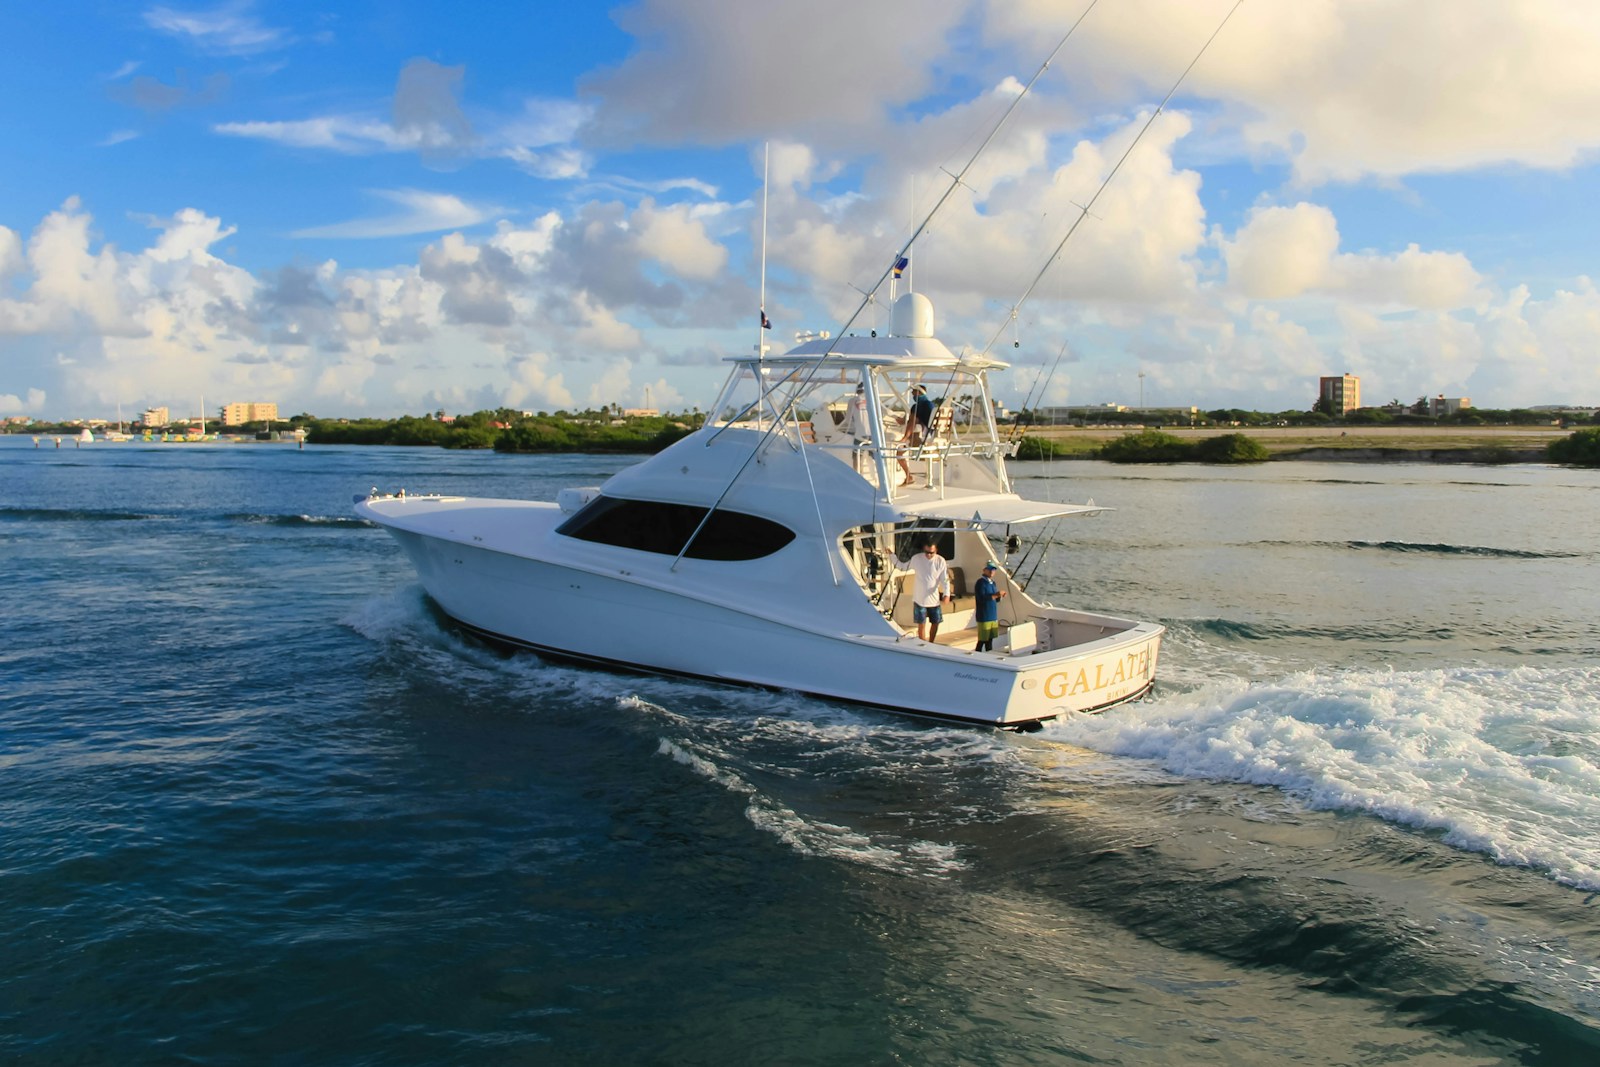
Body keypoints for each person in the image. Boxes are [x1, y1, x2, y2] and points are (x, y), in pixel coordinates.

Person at [908, 540, 951, 642]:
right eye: (926, 552)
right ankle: (922, 643)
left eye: (931, 552)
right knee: (921, 624)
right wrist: (892, 556)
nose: (928, 555)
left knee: (936, 622)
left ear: (936, 550)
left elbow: (945, 579)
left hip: (934, 600)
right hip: (920, 599)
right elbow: (902, 566)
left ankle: (931, 642)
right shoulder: (916, 558)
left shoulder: (940, 561)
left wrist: (947, 594)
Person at [899, 384, 933, 486]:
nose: (912, 393)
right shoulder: (931, 404)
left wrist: (904, 437)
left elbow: (912, 421)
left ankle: (909, 476)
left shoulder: (917, 406)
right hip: (931, 435)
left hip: (920, 437)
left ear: (919, 392)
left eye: (913, 391)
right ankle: (910, 477)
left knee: (898, 452)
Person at [973, 561, 1007, 651]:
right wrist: (996, 595)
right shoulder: (980, 583)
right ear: (984, 570)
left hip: (992, 615)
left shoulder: (992, 582)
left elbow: (995, 599)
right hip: (984, 616)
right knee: (982, 640)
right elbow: (981, 599)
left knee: (990, 640)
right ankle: (977, 656)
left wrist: (999, 596)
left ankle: (989, 656)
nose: (992, 572)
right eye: (989, 569)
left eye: (993, 570)